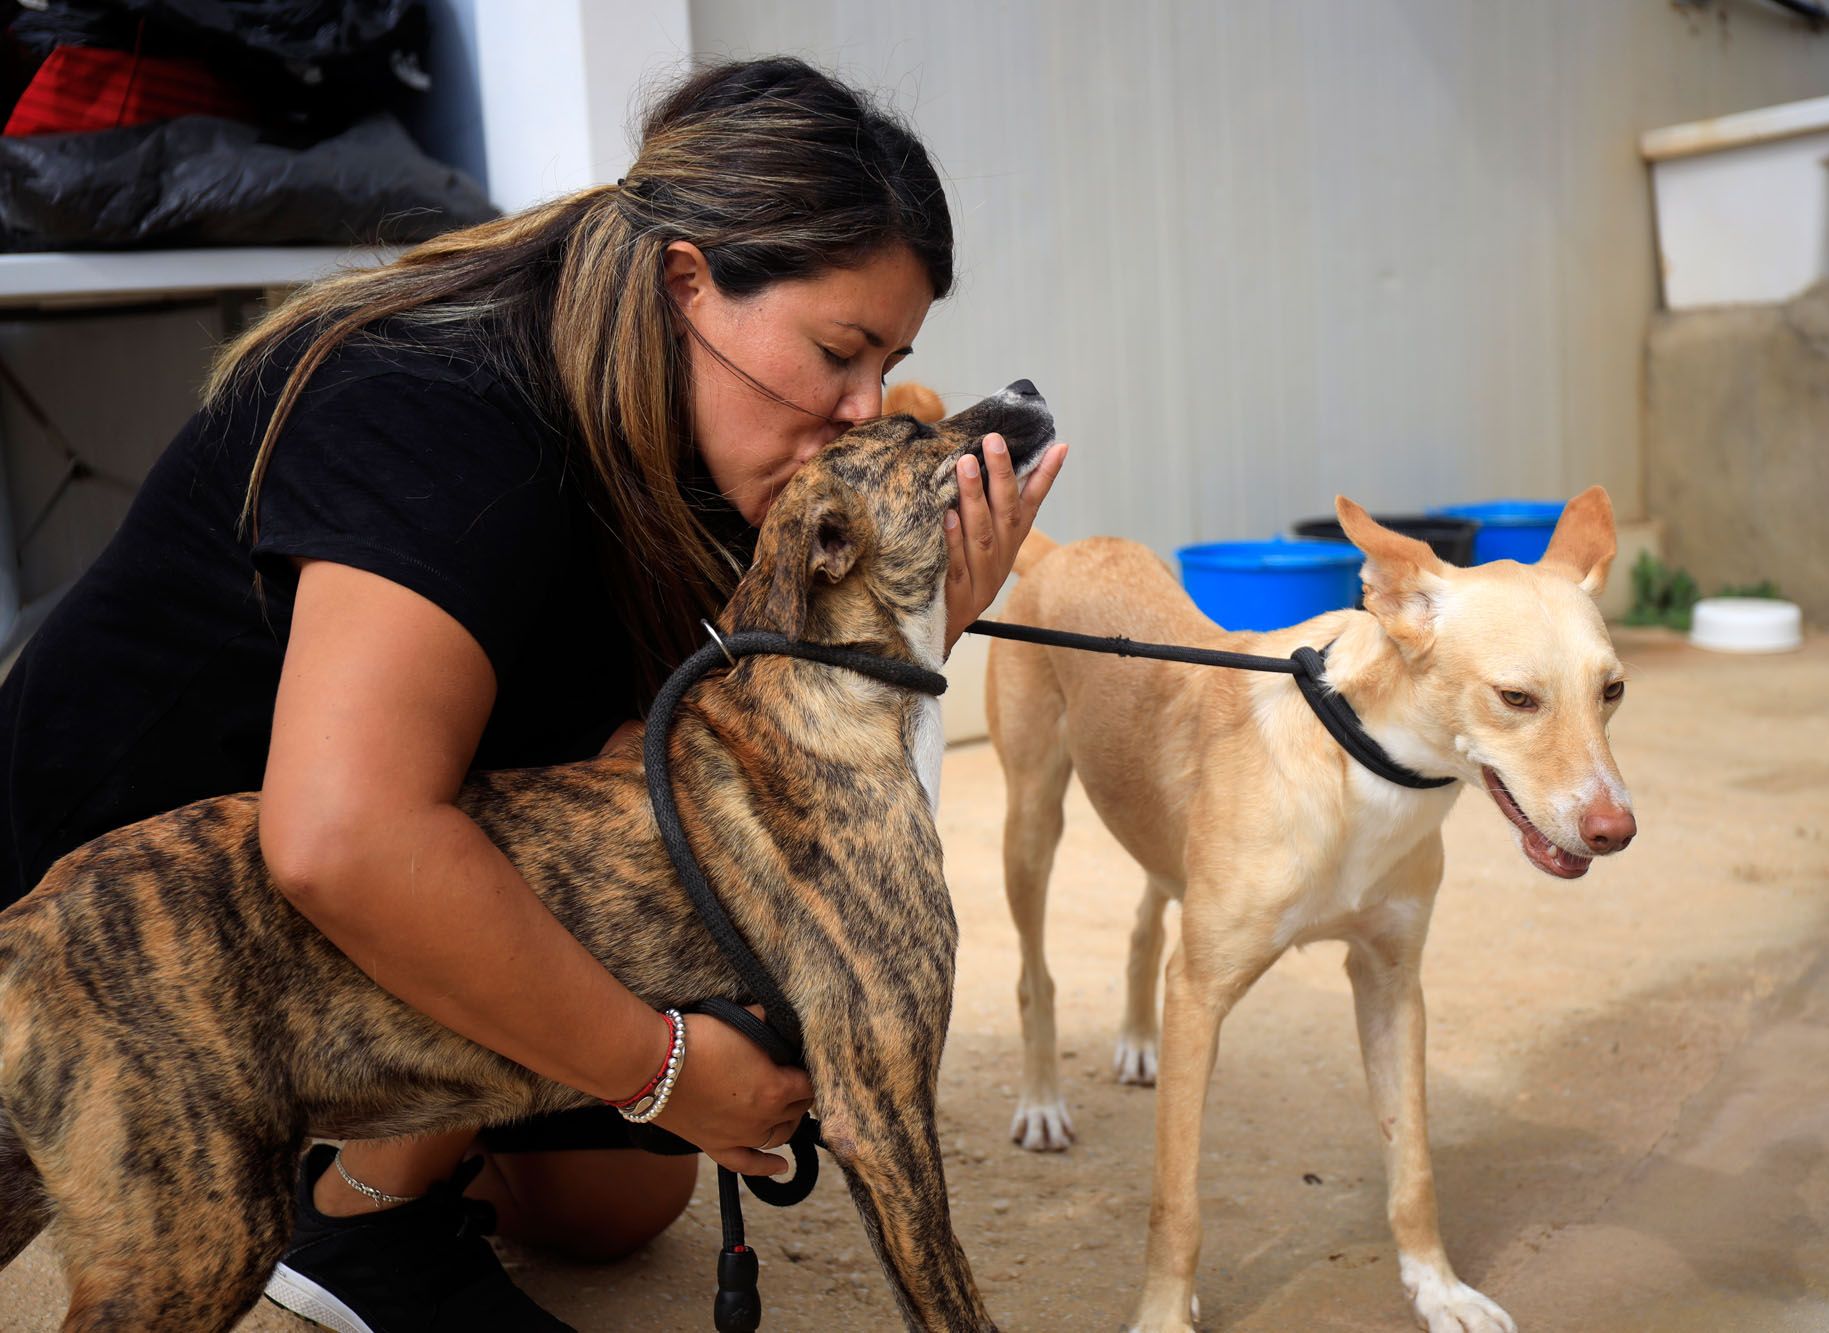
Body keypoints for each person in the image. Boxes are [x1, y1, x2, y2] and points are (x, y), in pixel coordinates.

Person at [0, 56, 1065, 1331]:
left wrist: (912, 618)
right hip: (144, 940)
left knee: (611, 1207)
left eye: (886, 365)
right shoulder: (438, 413)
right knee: (198, 1248)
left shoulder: (680, 423)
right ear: (687, 283)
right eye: (841, 353)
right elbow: (342, 837)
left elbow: (677, 752)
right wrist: (659, 1070)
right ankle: (302, 1183)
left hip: (363, 918)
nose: (861, 410)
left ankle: (356, 1218)